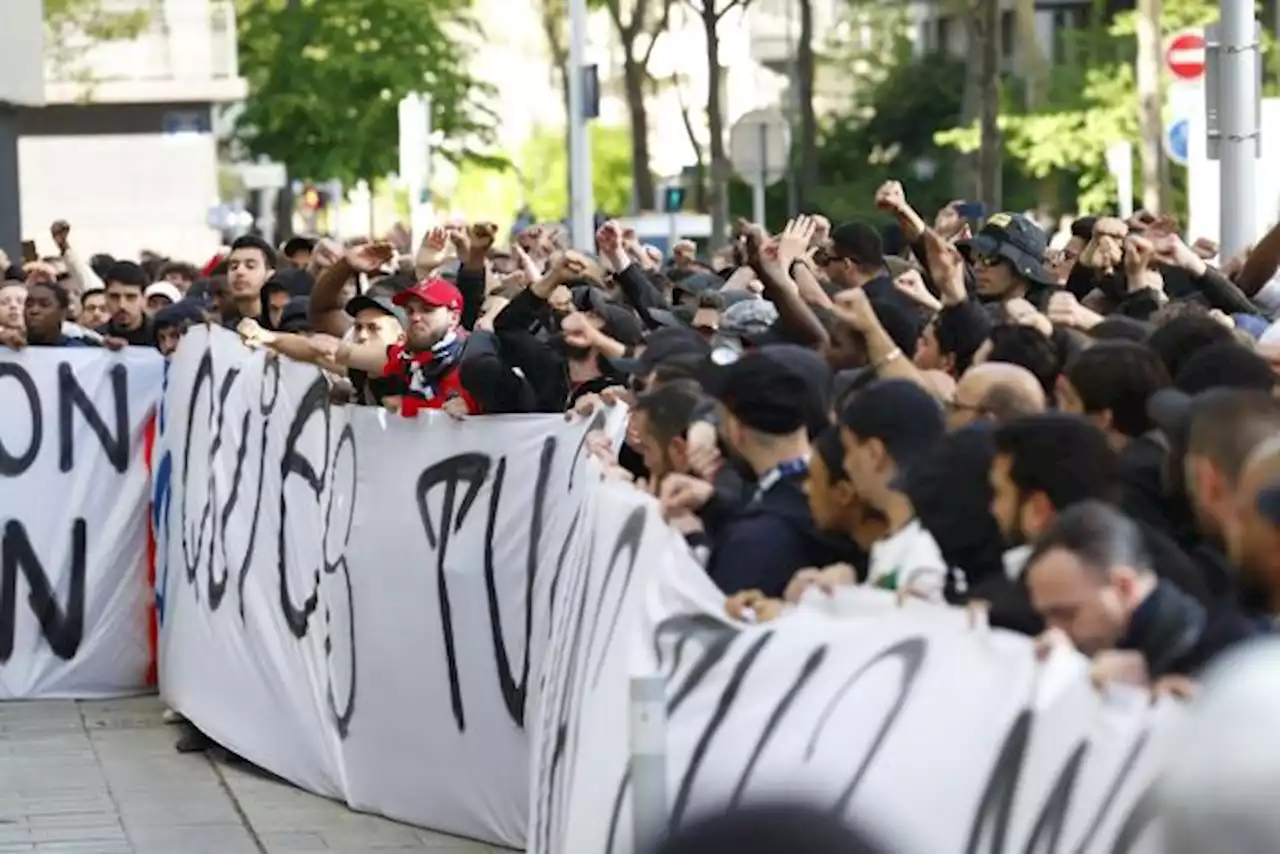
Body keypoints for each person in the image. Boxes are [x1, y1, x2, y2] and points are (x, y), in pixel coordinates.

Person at [659, 350, 853, 598]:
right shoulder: (835, 495)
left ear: (735, 429)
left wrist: (697, 542)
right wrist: (713, 504)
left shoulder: (754, 540)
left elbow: (719, 622)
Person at [1025, 501, 1250, 678]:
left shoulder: (1205, 661)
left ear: (1124, 587)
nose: (1054, 634)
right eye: (1047, 617)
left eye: (1067, 614)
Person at [838, 379, 951, 599]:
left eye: (849, 449)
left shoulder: (926, 555)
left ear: (874, 453)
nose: (845, 464)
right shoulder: (901, 538)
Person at [99, 260, 154, 345]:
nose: (122, 305)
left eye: (131, 297)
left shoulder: (161, 338)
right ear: (105, 298)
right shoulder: (95, 339)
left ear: (144, 299)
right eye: (114, 297)